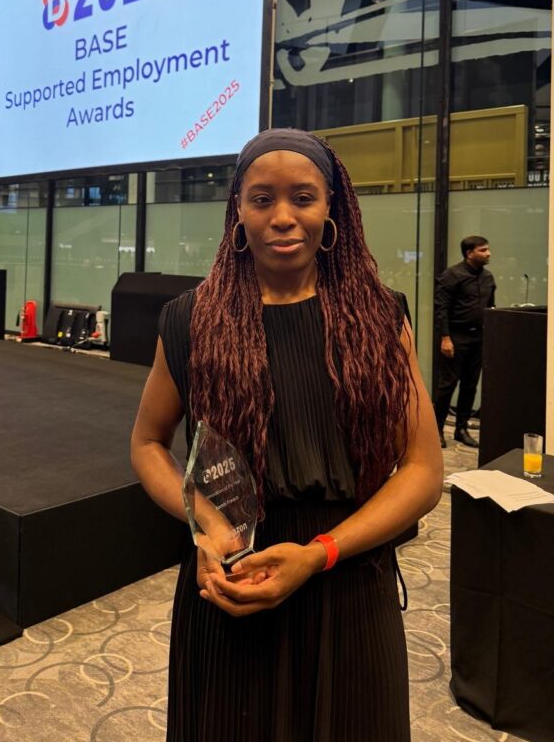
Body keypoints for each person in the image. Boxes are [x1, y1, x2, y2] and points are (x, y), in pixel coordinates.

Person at [131, 128, 443, 742]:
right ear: (238, 212)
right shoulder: (192, 319)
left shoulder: (379, 317)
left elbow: (423, 471)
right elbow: (147, 443)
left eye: (302, 197)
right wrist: (207, 528)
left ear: (332, 210)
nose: (282, 217)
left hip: (349, 579)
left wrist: (319, 553)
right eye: (261, 198)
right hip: (230, 583)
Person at [433, 235, 495, 449]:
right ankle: (437, 430)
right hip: (455, 337)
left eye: (487, 250)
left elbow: (491, 309)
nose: (488, 254)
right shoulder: (452, 276)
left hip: (478, 337)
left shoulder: (488, 278)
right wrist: (445, 338)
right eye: (483, 250)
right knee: (447, 385)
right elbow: (441, 309)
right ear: (469, 253)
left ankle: (461, 429)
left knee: (470, 386)